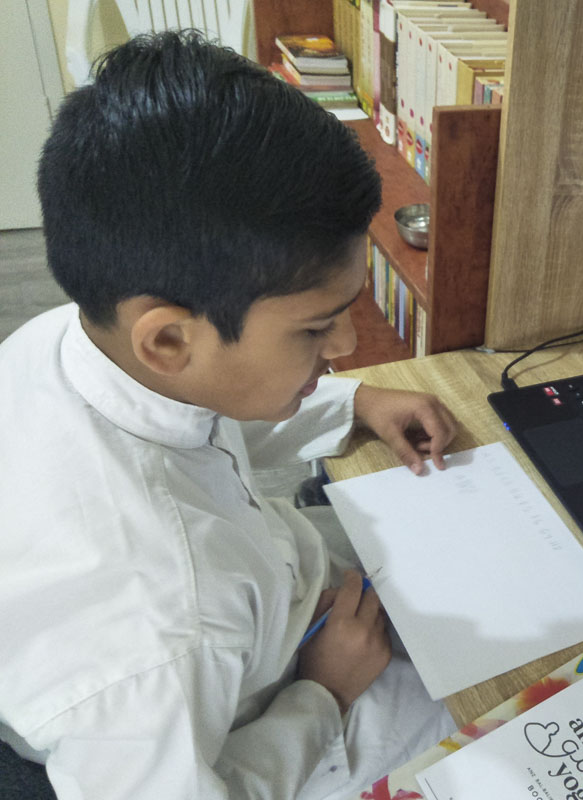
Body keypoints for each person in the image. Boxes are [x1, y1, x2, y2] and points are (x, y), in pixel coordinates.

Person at [0, 31, 461, 800]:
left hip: (270, 599)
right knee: (501, 700)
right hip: (266, 714)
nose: (347, 346)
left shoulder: (71, 339)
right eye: (316, 328)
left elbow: (205, 418)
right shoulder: (157, 631)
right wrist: (323, 694)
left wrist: (356, 402)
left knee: (442, 547)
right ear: (169, 339)